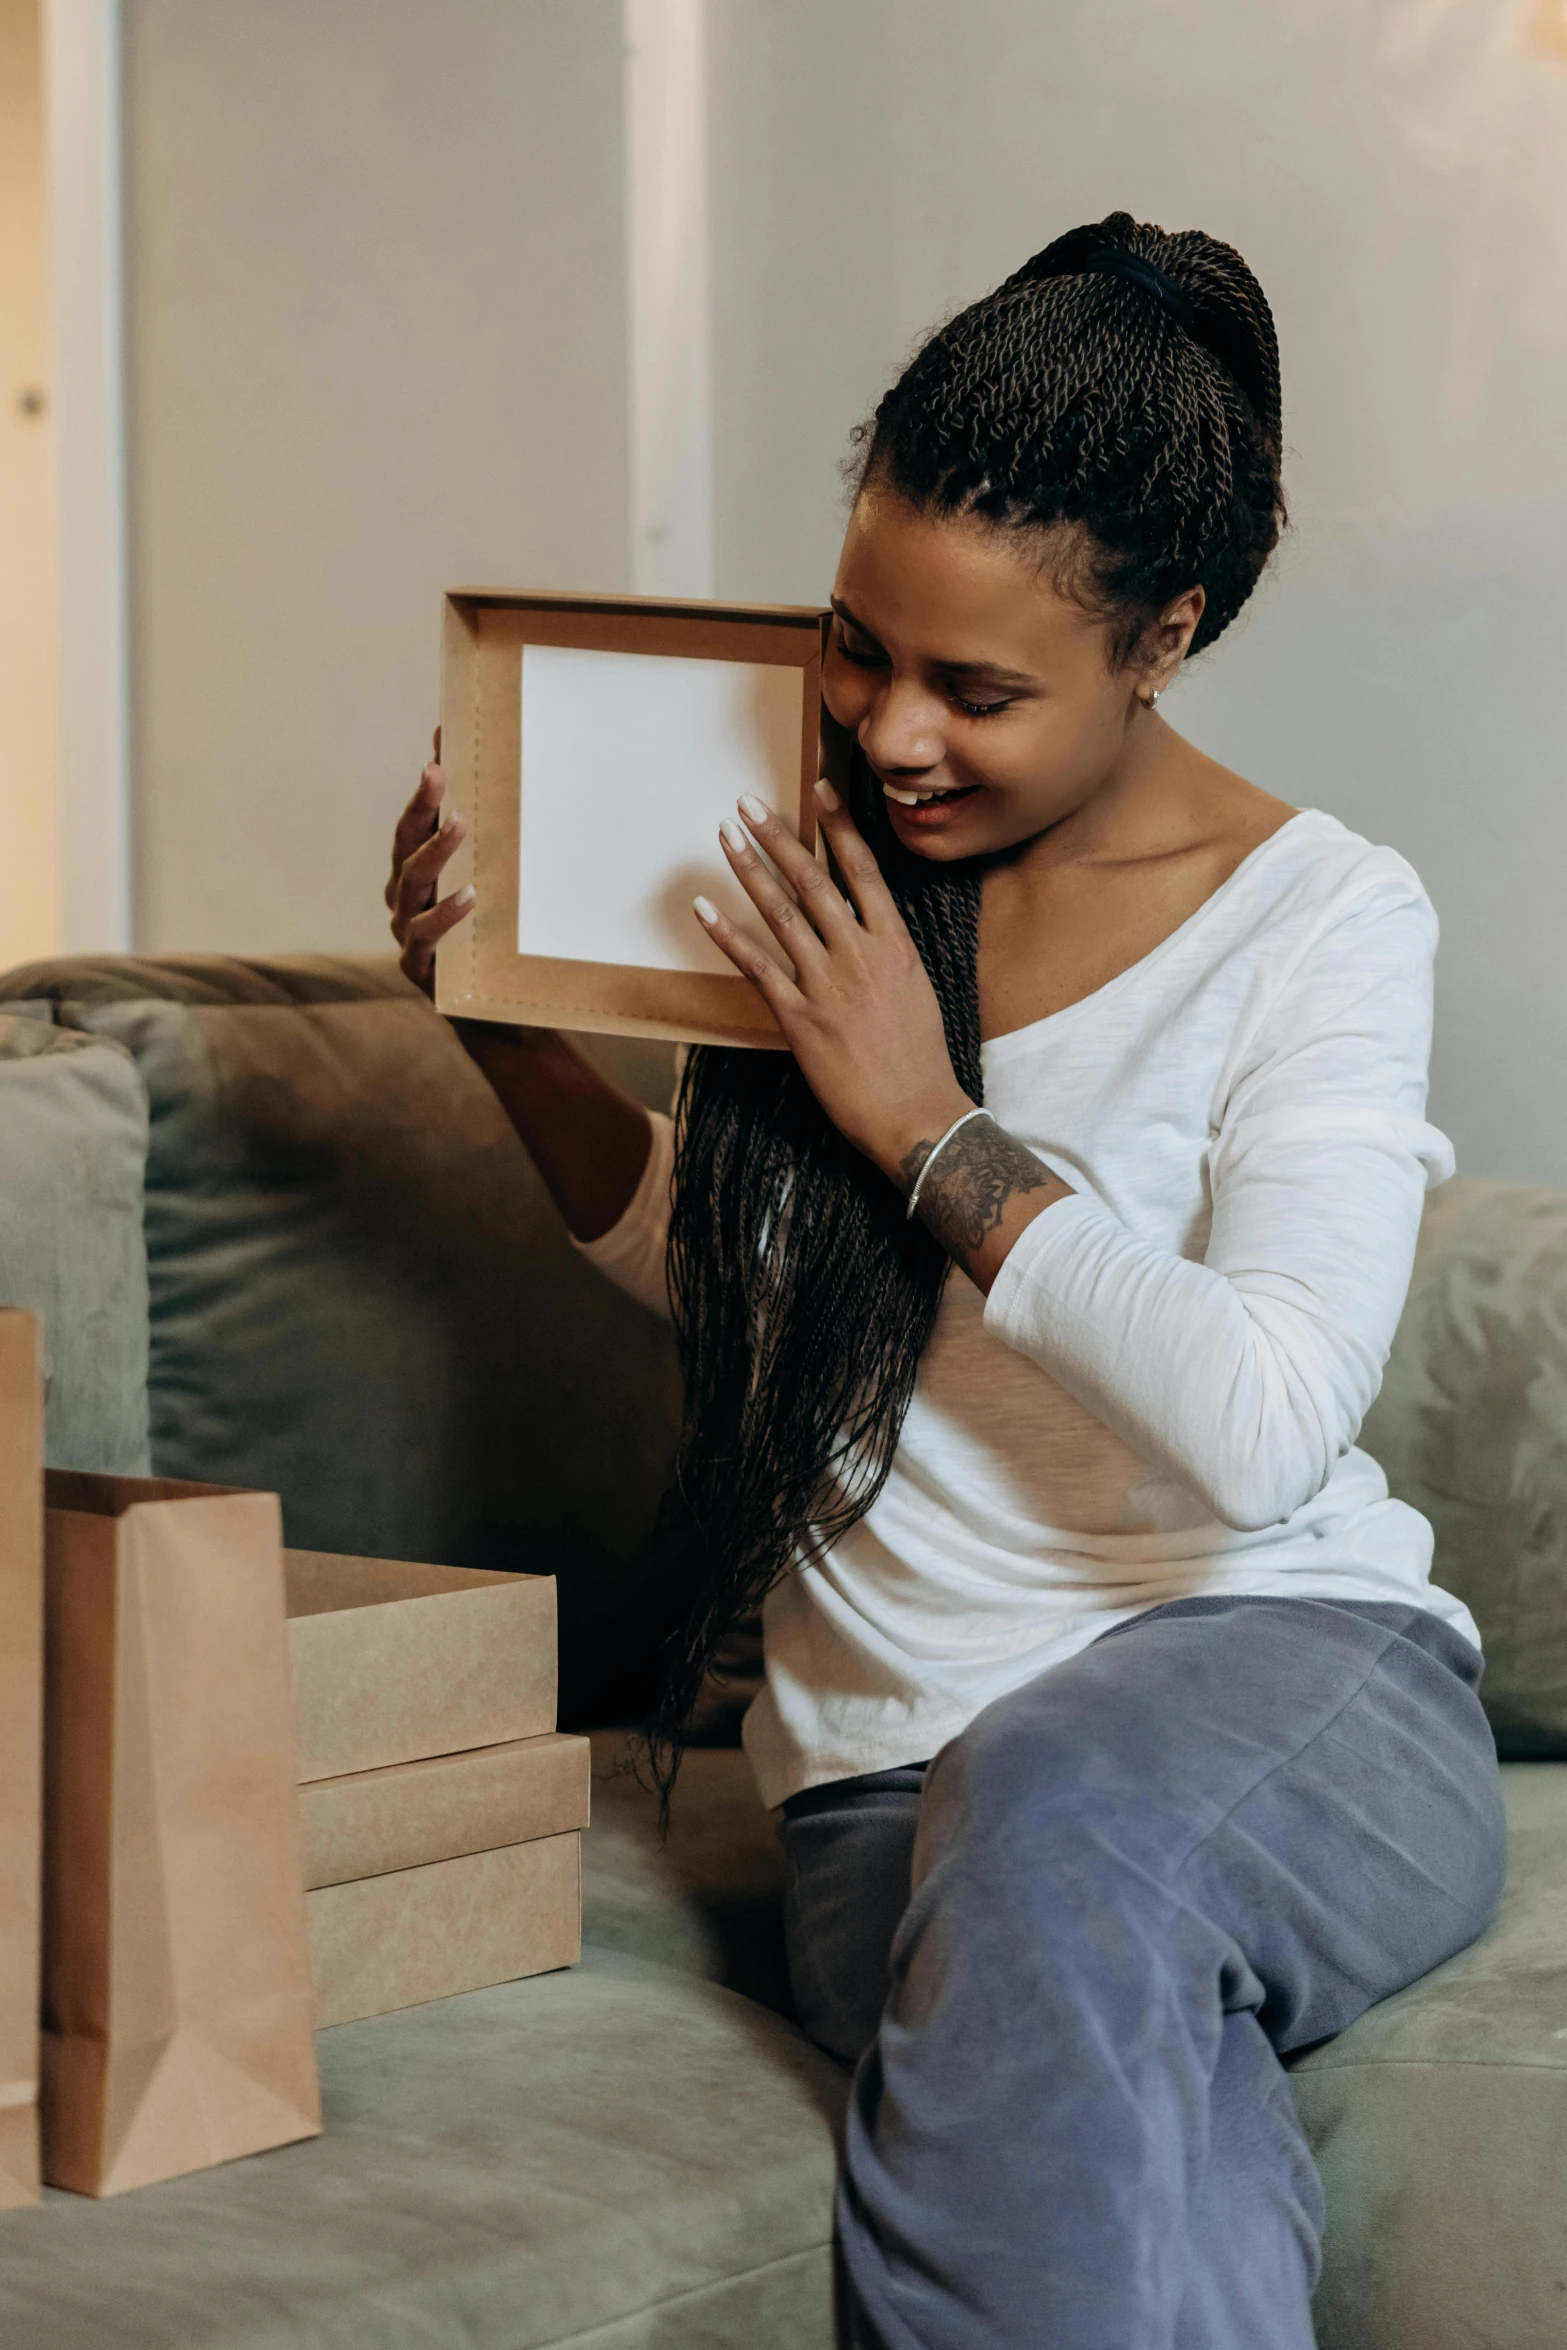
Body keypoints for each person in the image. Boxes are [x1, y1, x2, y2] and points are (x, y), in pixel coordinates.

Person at [386, 213, 1504, 2350]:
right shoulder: (812, 868)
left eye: (978, 687)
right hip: (889, 1785)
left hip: (1292, 1690)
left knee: (1067, 1798)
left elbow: (1272, 1415)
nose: (891, 733)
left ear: (1164, 636)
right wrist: (494, 1019)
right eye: (855, 645)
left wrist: (929, 1130)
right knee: (1143, 2120)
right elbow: (731, 1281)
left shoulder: (1325, 918)